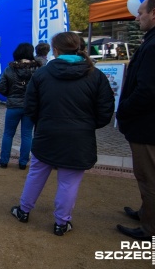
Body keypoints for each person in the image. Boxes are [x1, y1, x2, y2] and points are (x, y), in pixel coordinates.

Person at [10, 32, 114, 236]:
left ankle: (24, 211)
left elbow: (30, 108)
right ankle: (61, 223)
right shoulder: (96, 75)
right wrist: (86, 126)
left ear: (55, 50)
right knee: (69, 182)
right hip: (79, 138)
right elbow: (105, 110)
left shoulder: (42, 74)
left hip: (47, 134)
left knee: (36, 174)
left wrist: (44, 122)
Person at [116, 0, 155, 242]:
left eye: (140, 13)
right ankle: (148, 214)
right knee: (154, 178)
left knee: (152, 180)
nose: (137, 17)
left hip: (153, 126)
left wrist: (124, 108)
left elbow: (148, 91)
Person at [0, 43, 40, 170]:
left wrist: (10, 95)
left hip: (13, 106)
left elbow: (1, 88)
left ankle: (4, 161)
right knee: (27, 135)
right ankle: (23, 163)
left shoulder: (9, 69)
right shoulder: (37, 70)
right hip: (30, 106)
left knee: (8, 134)